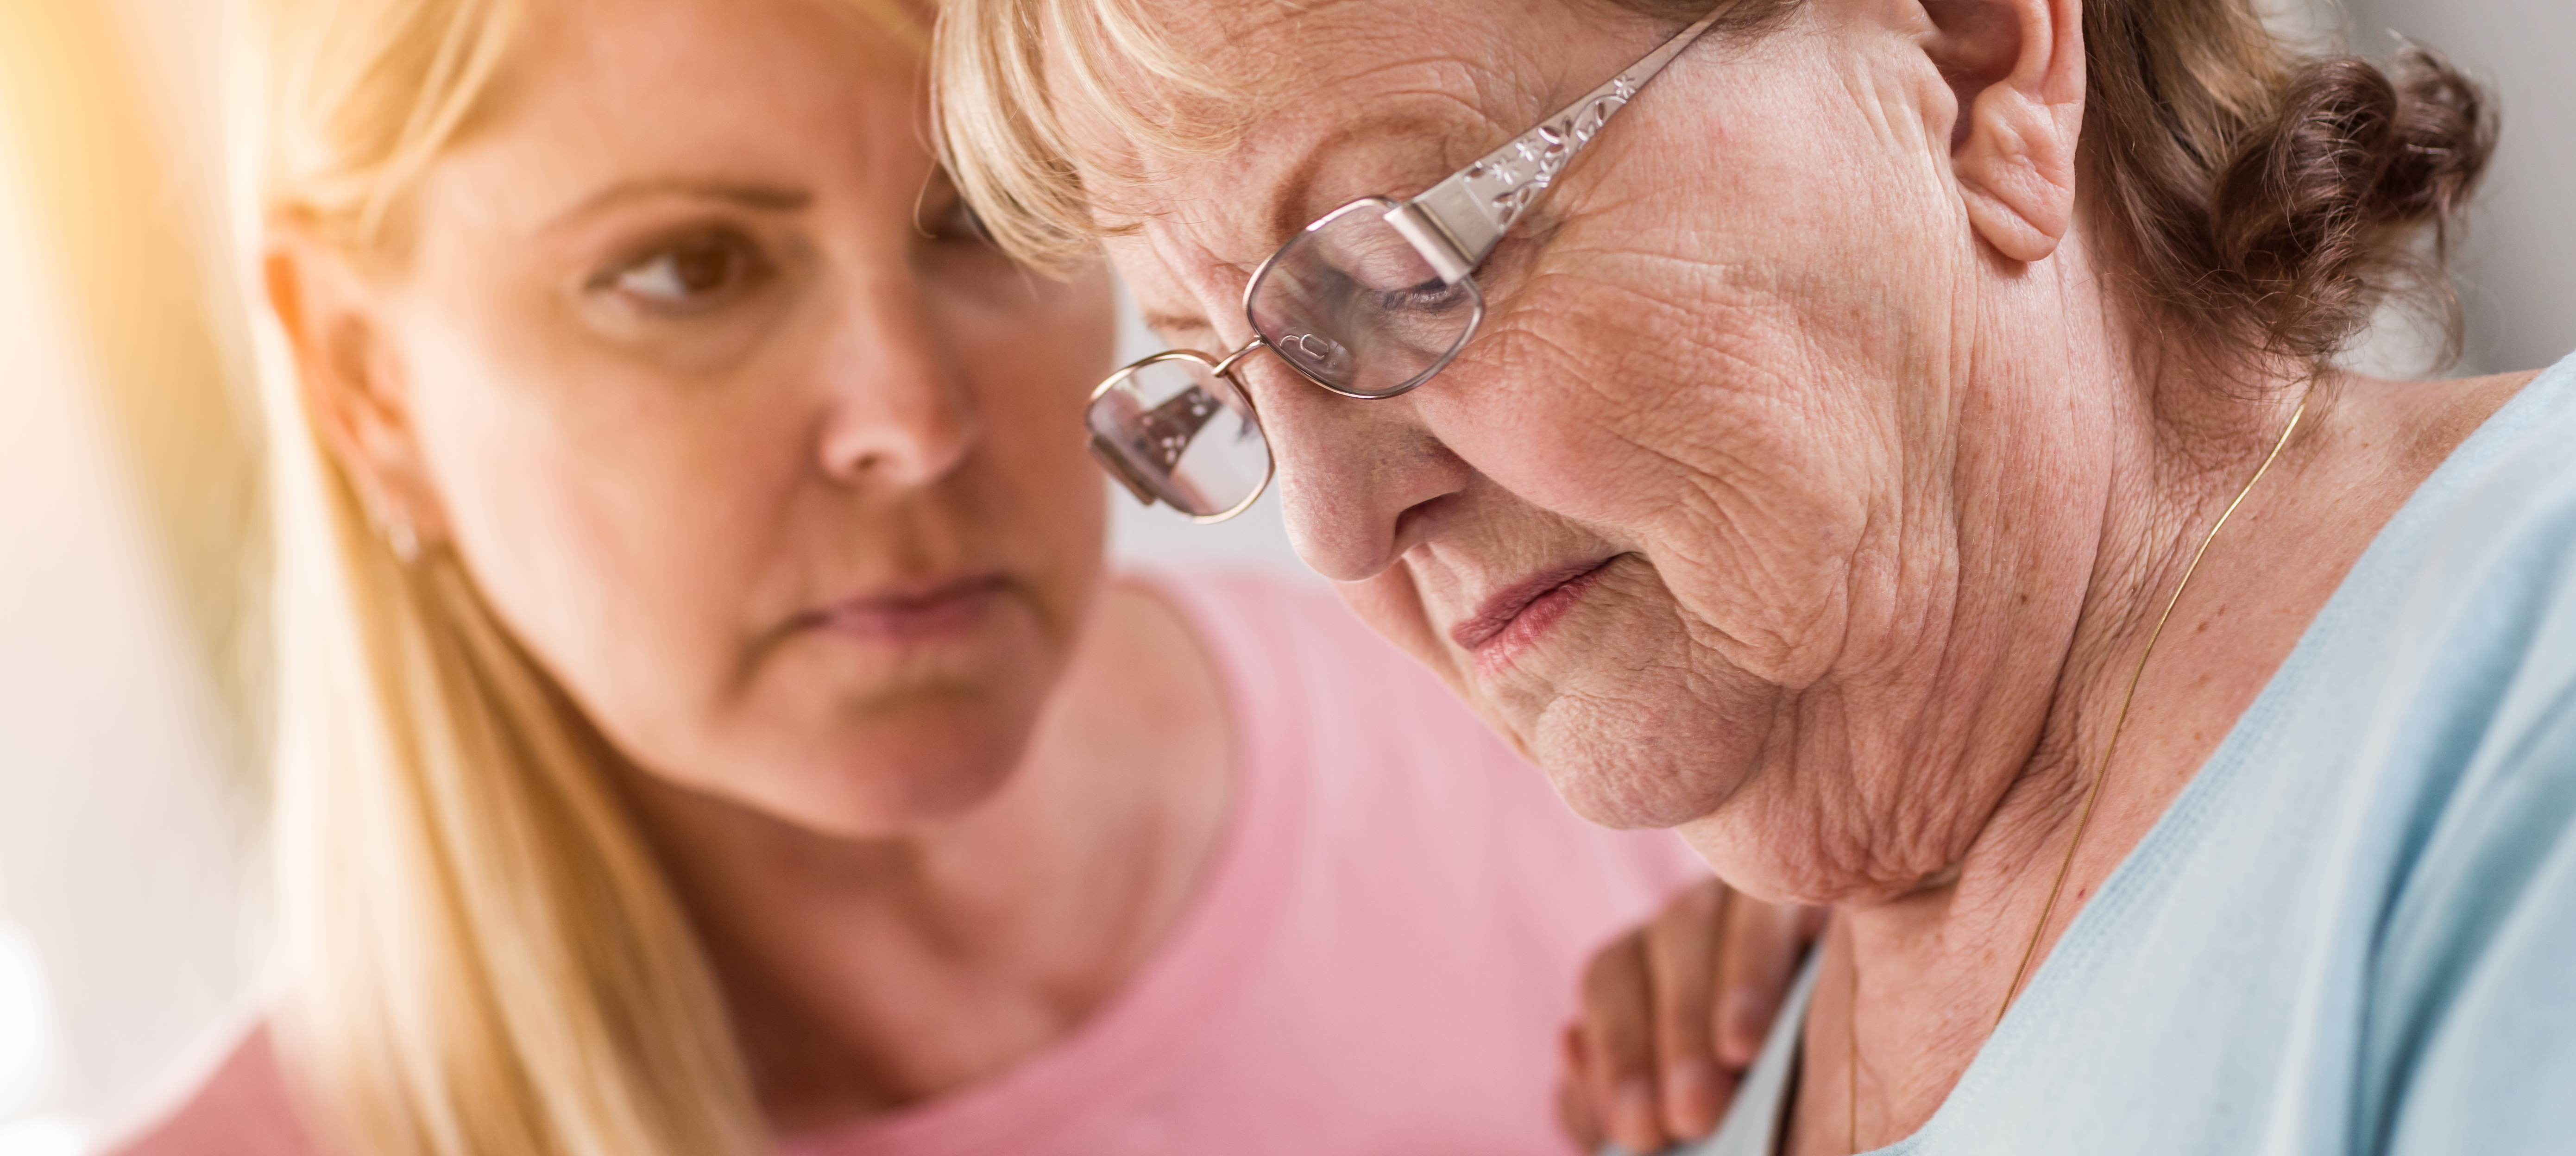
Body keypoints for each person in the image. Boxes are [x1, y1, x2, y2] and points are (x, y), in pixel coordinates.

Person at [98, 0, 1825, 1152]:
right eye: (690, 271)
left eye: (979, 227)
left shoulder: (1598, 738)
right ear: (363, 382)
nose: (912, 425)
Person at [937, 0, 2576, 1151]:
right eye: (1217, 387)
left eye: (1397, 270)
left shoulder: (2529, 666)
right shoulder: (1706, 1056)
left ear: (1969, 57)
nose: (1335, 532)